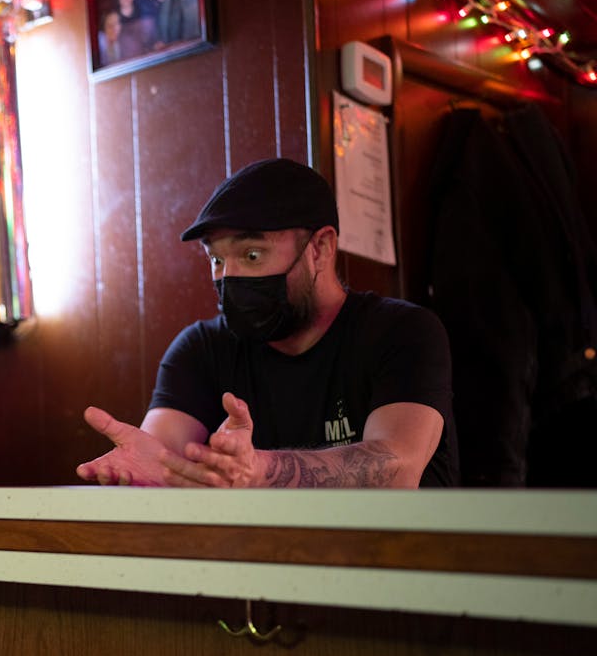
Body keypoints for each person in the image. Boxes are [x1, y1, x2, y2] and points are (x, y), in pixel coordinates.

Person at [76, 158, 459, 488]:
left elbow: (399, 467)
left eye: (252, 254)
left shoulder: (402, 332)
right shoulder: (201, 350)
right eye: (217, 260)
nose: (230, 276)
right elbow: (163, 456)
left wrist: (261, 469)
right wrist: (151, 471)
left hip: (404, 566)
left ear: (320, 248)